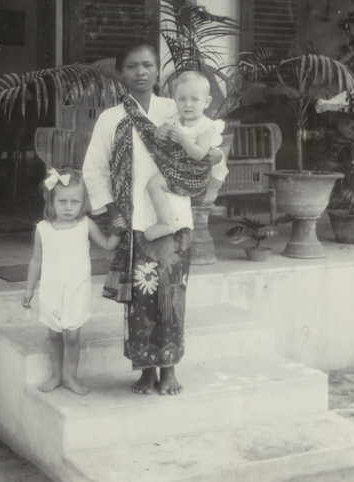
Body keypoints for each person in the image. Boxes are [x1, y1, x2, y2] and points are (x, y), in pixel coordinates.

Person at [82, 43, 223, 396]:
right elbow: (94, 169)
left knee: (171, 295)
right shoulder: (111, 118)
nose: (140, 71)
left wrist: (214, 156)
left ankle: (169, 368)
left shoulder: (176, 107)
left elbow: (210, 145)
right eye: (132, 66)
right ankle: (146, 370)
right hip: (135, 219)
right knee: (141, 299)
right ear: (121, 72)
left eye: (147, 64)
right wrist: (112, 211)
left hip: (173, 216)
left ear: (158, 70)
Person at [22, 167, 124, 396]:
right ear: (51, 201)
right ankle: (56, 375)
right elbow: (36, 261)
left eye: (75, 202)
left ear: (83, 203)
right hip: (51, 289)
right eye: (62, 201)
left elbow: (107, 245)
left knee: (72, 335)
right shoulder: (43, 229)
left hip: (76, 289)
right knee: (54, 335)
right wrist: (29, 289)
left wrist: (117, 232)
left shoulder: (85, 224)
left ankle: (70, 377)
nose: (68, 207)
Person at [145, 70, 228, 241]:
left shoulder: (205, 126)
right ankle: (164, 222)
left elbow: (199, 154)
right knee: (153, 183)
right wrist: (160, 131)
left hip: (193, 176)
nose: (187, 105)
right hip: (178, 168)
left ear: (207, 102)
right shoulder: (176, 119)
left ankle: (164, 222)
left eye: (194, 99)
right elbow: (160, 132)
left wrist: (183, 139)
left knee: (154, 184)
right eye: (182, 99)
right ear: (175, 100)